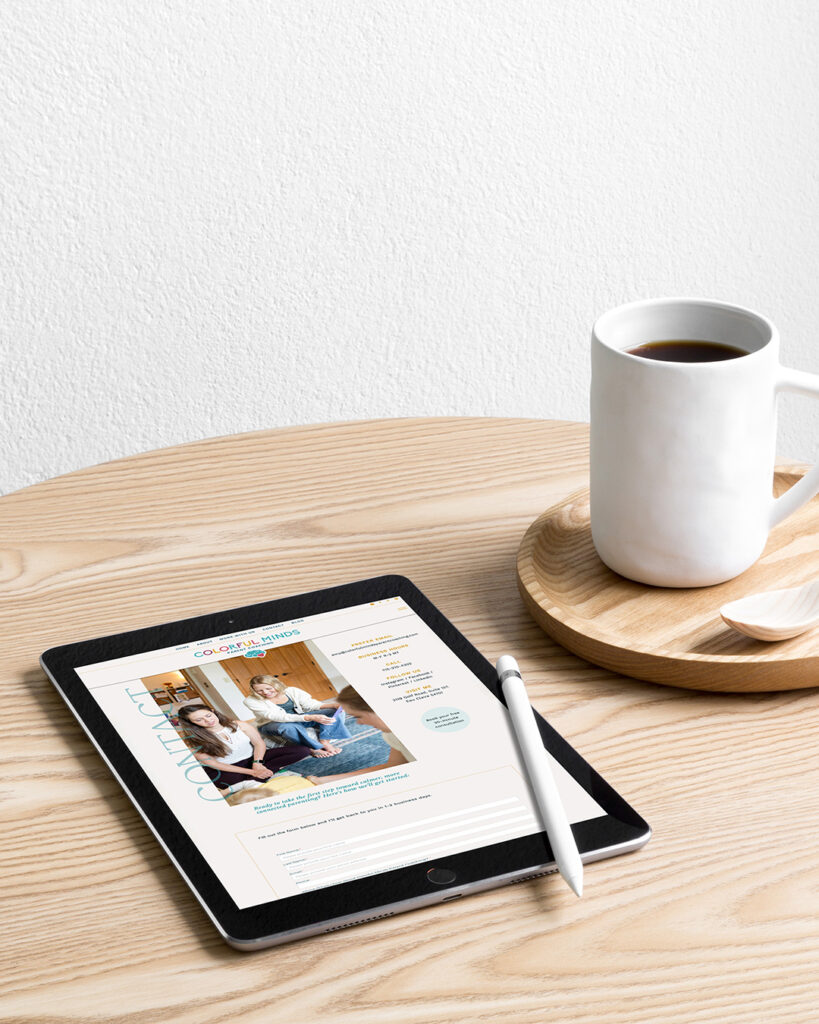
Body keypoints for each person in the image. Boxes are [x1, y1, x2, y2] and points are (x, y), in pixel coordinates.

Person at [177, 703, 312, 790]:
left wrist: (257, 763)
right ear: (192, 723)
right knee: (227, 783)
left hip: (254, 758)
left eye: (208, 715)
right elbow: (215, 765)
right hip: (227, 769)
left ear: (213, 711)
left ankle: (262, 774)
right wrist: (252, 772)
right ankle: (265, 774)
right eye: (199, 720)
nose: (208, 720)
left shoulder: (239, 724)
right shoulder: (192, 741)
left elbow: (258, 743)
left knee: (302, 751)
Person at [307, 686, 410, 785]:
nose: (359, 723)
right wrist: (323, 781)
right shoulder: (390, 735)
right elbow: (392, 767)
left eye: (358, 716)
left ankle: (324, 742)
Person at [243, 675, 350, 758]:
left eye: (268, 688)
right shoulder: (250, 701)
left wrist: (333, 705)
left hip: (300, 718)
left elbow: (311, 705)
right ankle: (314, 748)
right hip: (272, 724)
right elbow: (277, 716)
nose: (265, 692)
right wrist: (309, 718)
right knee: (288, 727)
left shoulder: (291, 691)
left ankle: (325, 741)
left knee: (333, 711)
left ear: (275, 684)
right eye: (259, 691)